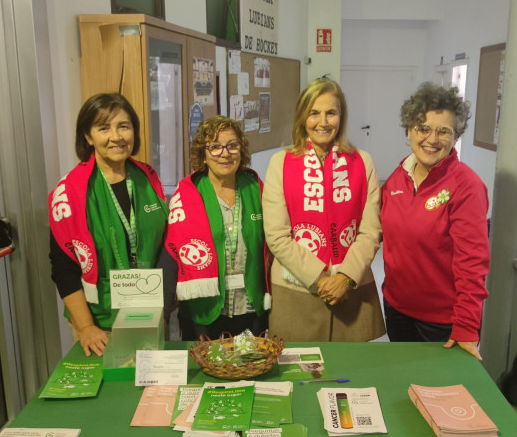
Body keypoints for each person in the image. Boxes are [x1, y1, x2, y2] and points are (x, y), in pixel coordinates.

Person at [262, 78, 385, 341]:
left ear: (342, 117)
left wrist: (344, 277)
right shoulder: (280, 163)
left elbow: (371, 230)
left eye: (331, 113)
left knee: (353, 375)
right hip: (297, 289)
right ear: (302, 117)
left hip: (352, 289)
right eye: (314, 113)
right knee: (298, 375)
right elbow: (276, 235)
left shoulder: (363, 162)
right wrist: (320, 279)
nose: (323, 122)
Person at [49, 93, 168, 356]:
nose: (116, 136)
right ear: (88, 137)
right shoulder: (70, 192)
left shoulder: (147, 178)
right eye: (104, 128)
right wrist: (86, 326)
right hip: (101, 325)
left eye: (123, 126)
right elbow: (63, 266)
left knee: (152, 393)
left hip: (149, 311)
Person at [381, 82, 490, 360]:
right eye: (423, 128)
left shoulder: (466, 186)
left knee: (440, 394)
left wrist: (466, 325)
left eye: (444, 131)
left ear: (456, 138)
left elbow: (473, 262)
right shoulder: (397, 177)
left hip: (441, 321)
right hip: (396, 308)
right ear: (408, 131)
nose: (432, 139)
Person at [165, 116, 269, 340]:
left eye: (232, 145)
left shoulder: (256, 188)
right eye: (214, 147)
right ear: (203, 153)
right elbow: (173, 249)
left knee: (253, 368)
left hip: (250, 306)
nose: (225, 153)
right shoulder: (188, 194)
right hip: (205, 311)